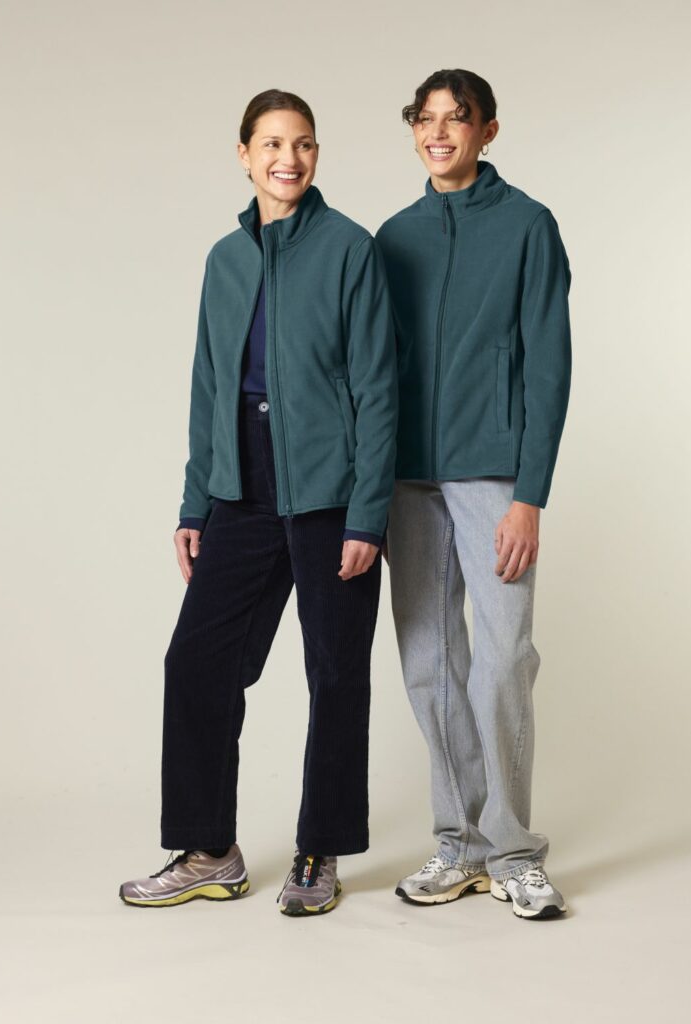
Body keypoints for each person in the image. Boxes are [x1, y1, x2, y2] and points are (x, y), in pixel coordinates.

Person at [120, 89, 397, 917]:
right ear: (243, 154)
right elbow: (208, 385)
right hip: (241, 487)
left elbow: (378, 388)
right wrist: (195, 504)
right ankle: (209, 850)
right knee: (196, 663)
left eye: (303, 143)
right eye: (272, 143)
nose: (288, 158)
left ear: (316, 156)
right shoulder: (225, 259)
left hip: (329, 491)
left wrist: (367, 513)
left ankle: (320, 850)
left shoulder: (349, 248)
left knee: (334, 672)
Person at [376, 69, 571, 919]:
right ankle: (457, 844)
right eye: (425, 119)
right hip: (405, 479)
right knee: (429, 664)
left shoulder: (527, 225)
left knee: (501, 661)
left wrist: (530, 494)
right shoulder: (392, 236)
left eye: (456, 119)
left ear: (487, 130)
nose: (438, 133)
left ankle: (513, 851)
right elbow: (371, 367)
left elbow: (549, 364)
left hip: (492, 474)